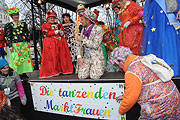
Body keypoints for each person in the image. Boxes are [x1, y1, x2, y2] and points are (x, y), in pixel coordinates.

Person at [110, 46, 180, 119]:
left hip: (160, 104)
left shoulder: (132, 71)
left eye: (117, 65)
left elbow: (131, 97)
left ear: (121, 61)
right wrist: (125, 95)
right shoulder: (143, 59)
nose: (119, 68)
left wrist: (121, 110)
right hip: (173, 97)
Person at [141, 0, 180, 76]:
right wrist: (145, 16)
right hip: (155, 13)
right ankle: (155, 72)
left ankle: (172, 69)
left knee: (169, 41)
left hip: (170, 11)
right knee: (156, 43)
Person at [39, 10, 73, 78]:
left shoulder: (59, 25)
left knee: (61, 55)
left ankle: (63, 69)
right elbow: (46, 34)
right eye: (50, 18)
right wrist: (55, 32)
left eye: (53, 18)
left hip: (59, 42)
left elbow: (62, 33)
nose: (52, 19)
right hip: (51, 43)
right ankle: (52, 71)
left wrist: (61, 33)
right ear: (48, 19)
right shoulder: (45, 25)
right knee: (52, 57)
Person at [4, 7, 33, 79]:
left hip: (23, 44)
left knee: (25, 59)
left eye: (17, 14)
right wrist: (10, 45)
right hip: (15, 45)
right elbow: (8, 36)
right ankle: (18, 74)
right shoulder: (9, 25)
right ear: (11, 16)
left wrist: (28, 41)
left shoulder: (23, 24)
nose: (16, 16)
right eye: (14, 15)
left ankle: (24, 73)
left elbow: (27, 33)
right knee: (17, 59)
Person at [76, 9, 104, 79]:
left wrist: (83, 40)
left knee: (94, 77)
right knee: (81, 77)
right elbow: (78, 45)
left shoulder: (98, 29)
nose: (80, 21)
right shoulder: (82, 30)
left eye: (82, 20)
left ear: (88, 20)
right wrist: (79, 57)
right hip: (86, 58)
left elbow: (96, 45)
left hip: (96, 57)